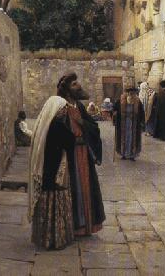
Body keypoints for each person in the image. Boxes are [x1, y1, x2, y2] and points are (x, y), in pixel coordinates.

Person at [55, 72, 105, 236]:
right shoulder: (61, 107)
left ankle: (87, 225)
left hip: (84, 153)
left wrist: (83, 123)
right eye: (74, 84)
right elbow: (56, 132)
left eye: (77, 82)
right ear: (68, 89)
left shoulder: (80, 106)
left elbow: (93, 126)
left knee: (86, 186)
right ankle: (75, 226)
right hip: (69, 155)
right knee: (73, 187)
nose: (79, 86)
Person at [29, 95, 75, 249]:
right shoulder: (58, 126)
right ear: (56, 111)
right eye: (62, 109)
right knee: (55, 203)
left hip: (46, 170)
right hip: (55, 171)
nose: (64, 112)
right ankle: (56, 239)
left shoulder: (45, 125)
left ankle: (44, 238)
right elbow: (70, 142)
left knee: (46, 202)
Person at [113, 86, 145, 160]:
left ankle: (132, 155)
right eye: (129, 92)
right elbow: (115, 109)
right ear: (127, 93)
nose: (131, 94)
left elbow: (141, 112)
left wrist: (142, 122)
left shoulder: (137, 101)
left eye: (133, 92)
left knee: (132, 138)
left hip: (134, 124)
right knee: (123, 137)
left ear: (134, 93)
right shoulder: (121, 100)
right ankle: (123, 154)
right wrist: (114, 114)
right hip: (123, 124)